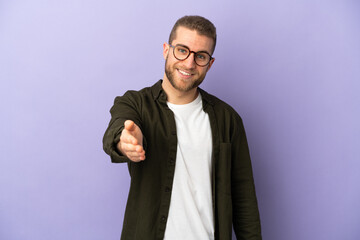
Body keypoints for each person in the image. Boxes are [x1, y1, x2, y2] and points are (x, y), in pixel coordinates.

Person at [103, 15, 262, 240]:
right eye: (182, 50)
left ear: (210, 63)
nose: (189, 63)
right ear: (166, 50)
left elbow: (244, 199)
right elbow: (116, 131)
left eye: (201, 56)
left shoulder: (228, 119)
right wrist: (125, 141)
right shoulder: (135, 103)